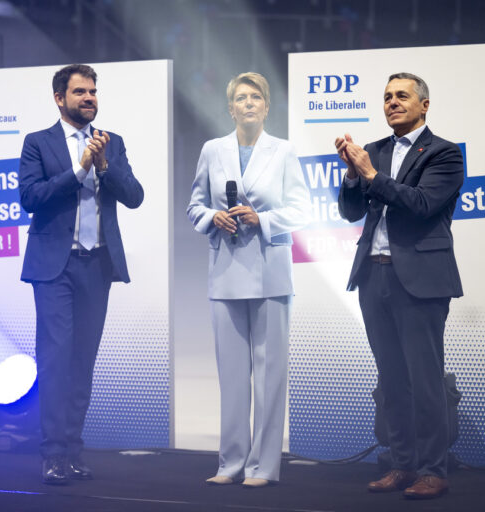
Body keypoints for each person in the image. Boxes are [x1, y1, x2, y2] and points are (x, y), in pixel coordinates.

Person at [335, 72, 464, 500]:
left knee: (425, 380)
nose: (392, 102)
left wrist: (370, 174)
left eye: (402, 95)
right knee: (391, 379)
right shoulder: (373, 151)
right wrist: (353, 177)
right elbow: (351, 211)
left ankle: (433, 469)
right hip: (374, 275)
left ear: (424, 105)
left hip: (421, 281)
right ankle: (401, 463)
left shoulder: (444, 154)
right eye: (387, 96)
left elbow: (423, 205)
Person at [18, 64, 144, 485]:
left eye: (93, 92)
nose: (89, 98)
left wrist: (104, 164)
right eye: (80, 92)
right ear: (60, 98)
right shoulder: (38, 143)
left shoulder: (113, 142)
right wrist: (78, 170)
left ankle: (72, 451)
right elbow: (30, 198)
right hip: (55, 268)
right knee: (55, 361)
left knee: (82, 362)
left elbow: (135, 197)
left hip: (97, 265)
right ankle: (52, 454)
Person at [187, 72, 310, 488]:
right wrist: (211, 218)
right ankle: (231, 463)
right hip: (225, 271)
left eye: (256, 96)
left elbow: (302, 209)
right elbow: (195, 205)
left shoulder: (284, 151)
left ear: (267, 105)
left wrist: (265, 219)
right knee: (232, 376)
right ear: (231, 108)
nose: (249, 103)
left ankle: (263, 467)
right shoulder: (212, 149)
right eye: (241, 97)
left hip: (271, 273)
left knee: (270, 373)